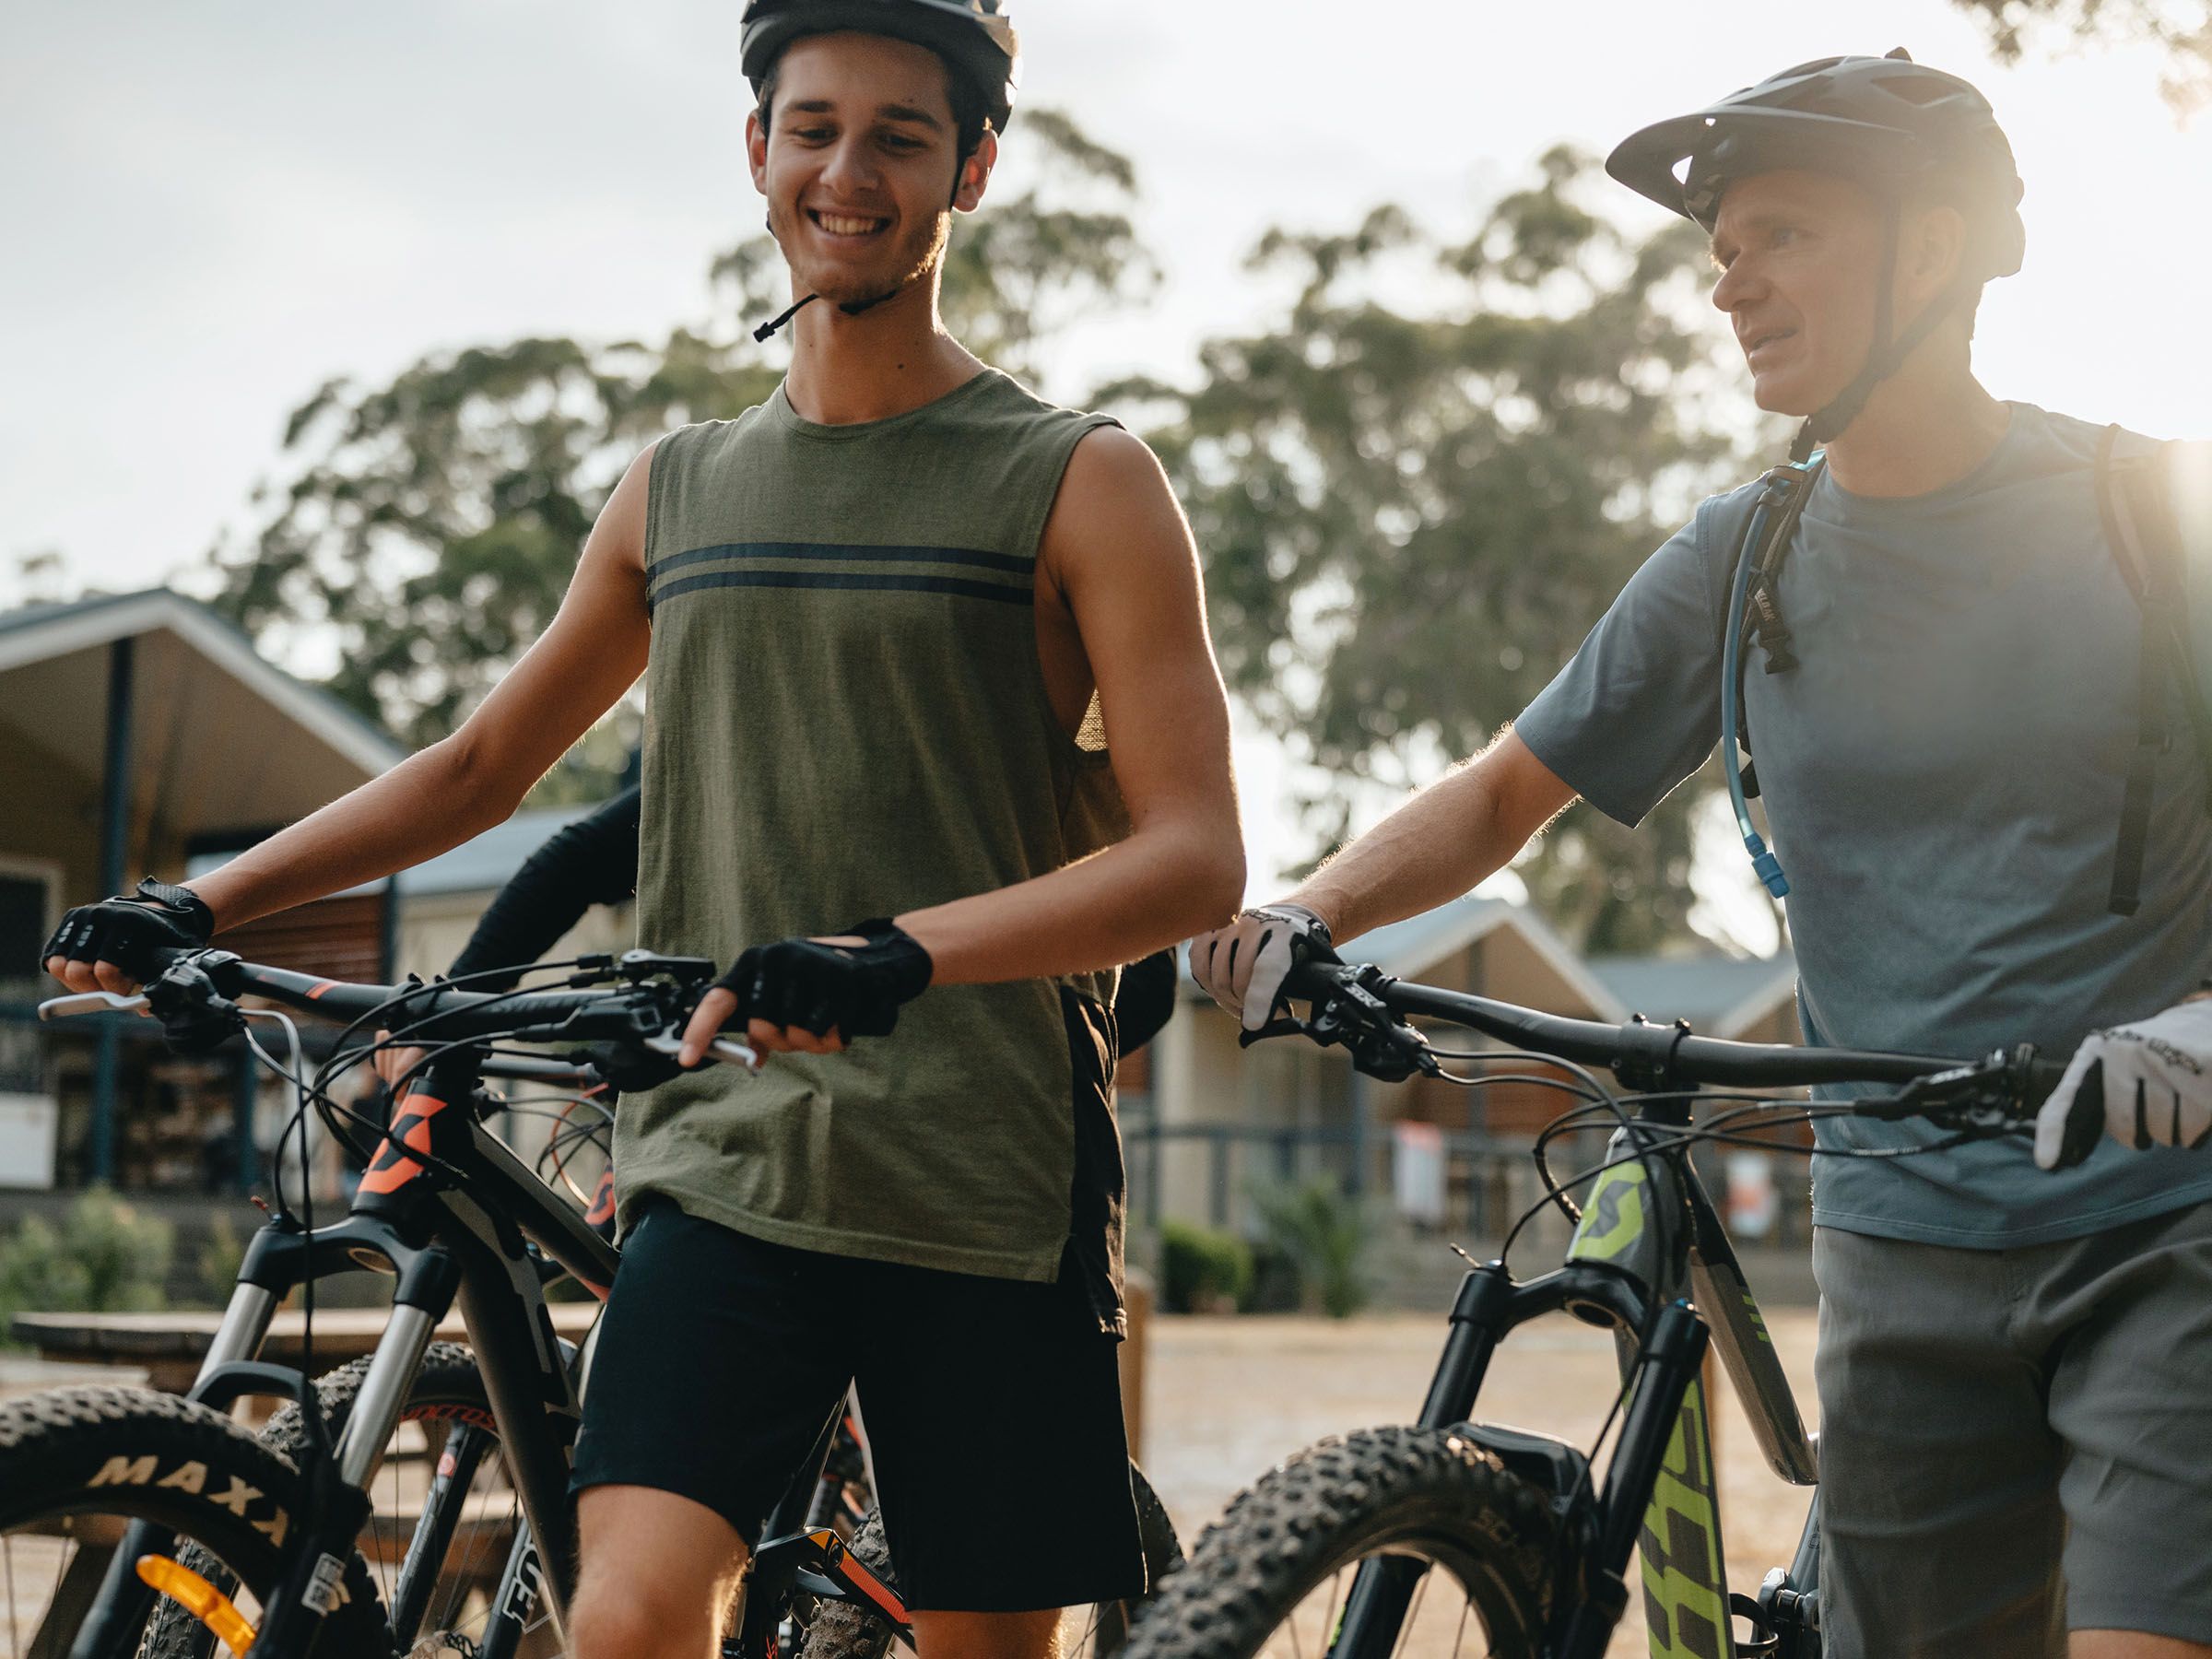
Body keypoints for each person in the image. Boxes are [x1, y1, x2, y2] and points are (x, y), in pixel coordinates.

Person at [44, 3, 1244, 1653]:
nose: (849, 169)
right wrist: (206, 902)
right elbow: (479, 769)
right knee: (625, 1618)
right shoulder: (677, 489)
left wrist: (898, 957)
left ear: (972, 166)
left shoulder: (1081, 481)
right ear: (758, 153)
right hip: (723, 1159)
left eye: (902, 134)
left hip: (982, 1177)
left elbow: (1192, 859)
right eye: (813, 126)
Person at [1193, 53, 2212, 1659]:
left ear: (1931, 253)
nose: (1730, 281)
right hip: (1899, 1245)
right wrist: (1304, 914)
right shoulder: (1745, 555)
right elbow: (1495, 794)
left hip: (2170, 1225)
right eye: (1720, 246)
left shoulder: (2150, 518)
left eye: (1782, 235)